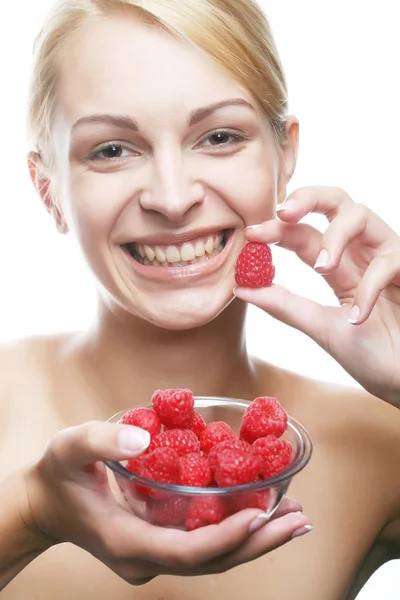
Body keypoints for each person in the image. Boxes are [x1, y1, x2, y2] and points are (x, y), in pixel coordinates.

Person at [0, 0, 399, 598]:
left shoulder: (380, 446)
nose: (172, 196)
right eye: (112, 149)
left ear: (284, 155)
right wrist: (28, 516)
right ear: (48, 189)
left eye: (218, 136)